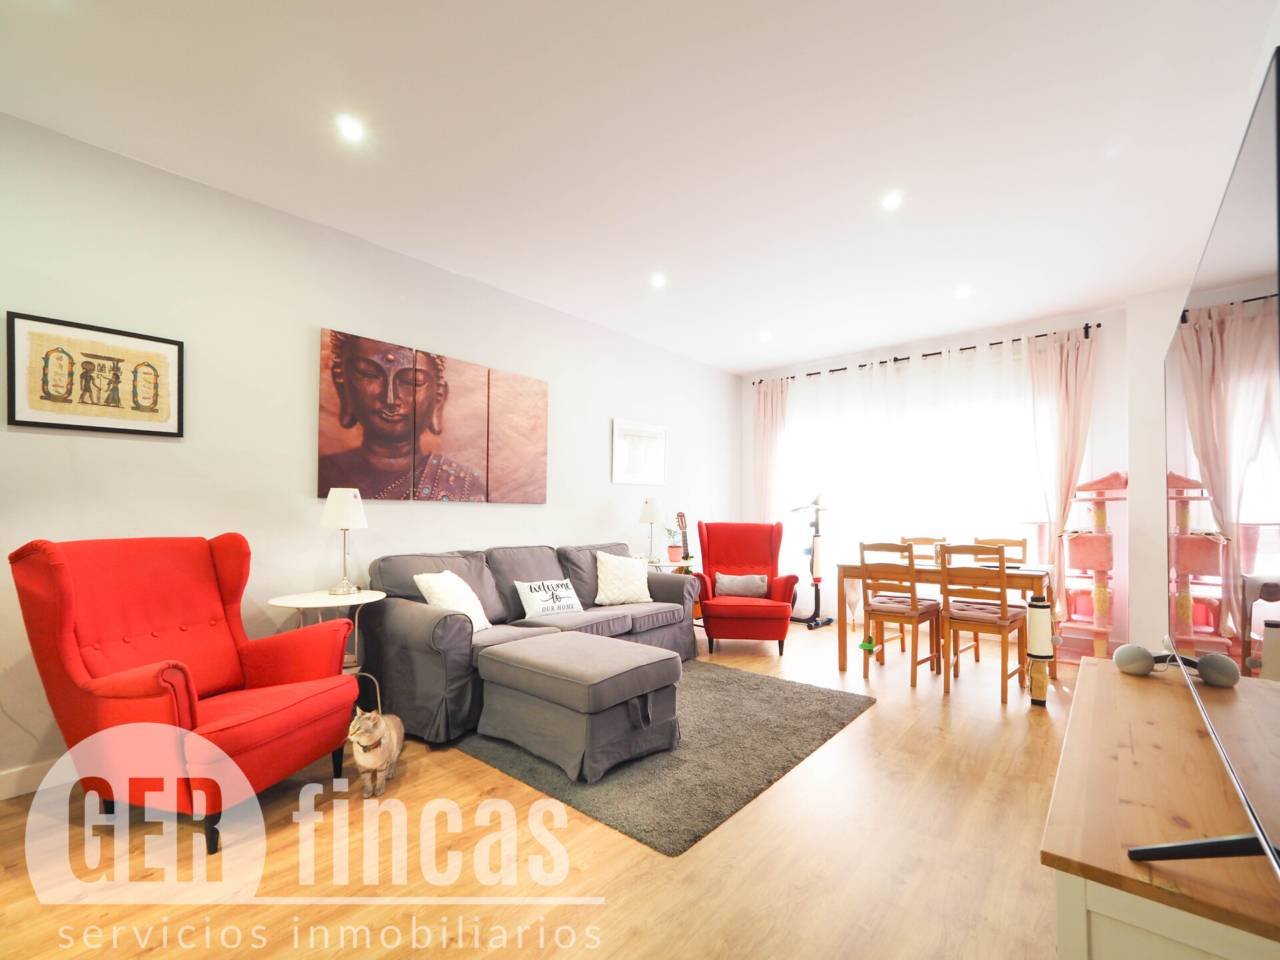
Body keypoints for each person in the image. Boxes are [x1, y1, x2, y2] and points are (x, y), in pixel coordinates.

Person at [318, 331, 482, 500]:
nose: (390, 399)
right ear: (341, 384)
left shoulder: (464, 486)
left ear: (438, 397)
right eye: (368, 374)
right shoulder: (322, 475)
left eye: (412, 381)